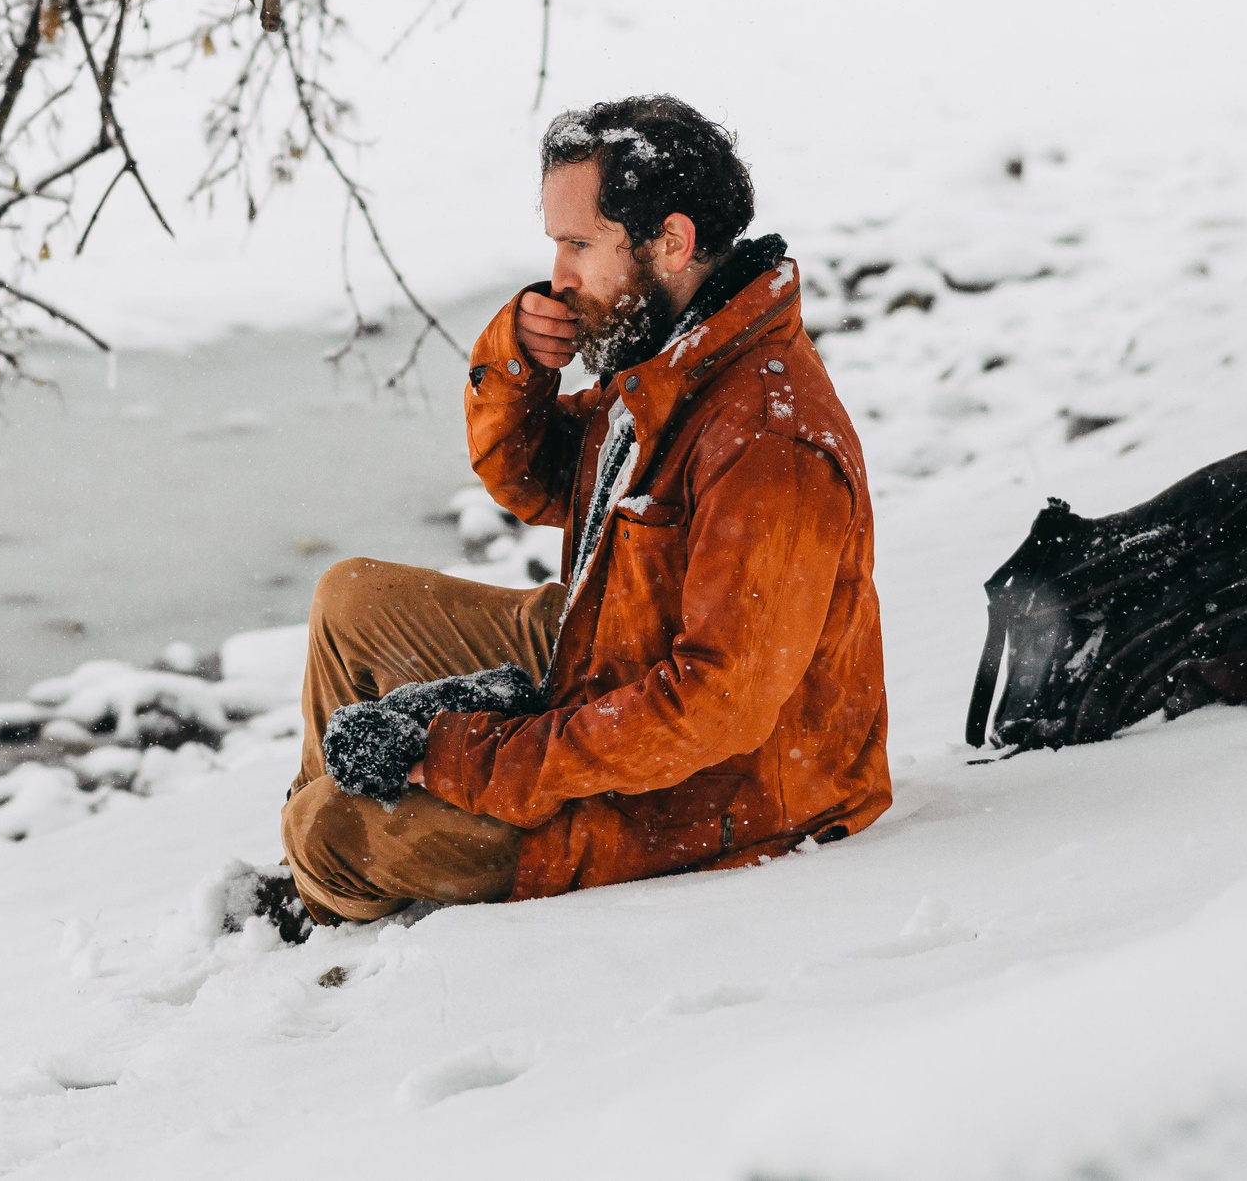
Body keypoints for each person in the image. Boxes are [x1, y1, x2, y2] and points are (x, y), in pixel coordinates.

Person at [274, 95, 891, 927]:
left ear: (670, 241)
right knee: (351, 599)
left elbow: (715, 710)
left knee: (329, 828)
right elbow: (533, 482)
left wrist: (463, 756)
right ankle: (326, 872)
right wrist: (519, 361)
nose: (559, 277)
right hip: (609, 657)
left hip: (712, 796)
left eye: (578, 245)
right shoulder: (673, 360)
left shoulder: (768, 439)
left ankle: (331, 894)